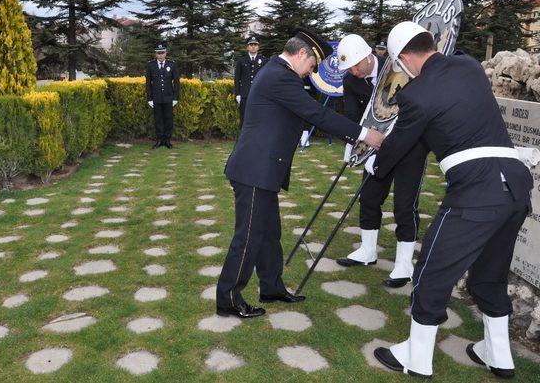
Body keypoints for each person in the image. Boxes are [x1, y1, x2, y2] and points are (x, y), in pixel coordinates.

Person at [369, 21, 533, 379]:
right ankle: (498, 353)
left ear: (404, 58)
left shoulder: (416, 95)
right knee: (489, 275)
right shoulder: (469, 66)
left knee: (430, 270)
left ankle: (417, 357)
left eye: (400, 64)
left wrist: (376, 162)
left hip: (475, 191)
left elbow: (400, 144)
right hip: (516, 187)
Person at [215, 27, 385, 319]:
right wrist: (362, 134)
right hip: (254, 171)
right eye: (311, 66)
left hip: (262, 170)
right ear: (302, 54)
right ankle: (228, 298)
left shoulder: (277, 72)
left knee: (269, 234)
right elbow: (316, 113)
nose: (310, 72)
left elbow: (300, 115)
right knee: (248, 237)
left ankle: (271, 286)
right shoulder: (280, 76)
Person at [335, 34, 428, 289]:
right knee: (369, 197)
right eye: (349, 68)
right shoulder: (351, 81)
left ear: (367, 57)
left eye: (355, 65)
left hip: (410, 146)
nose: (353, 72)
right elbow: (354, 118)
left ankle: (404, 264)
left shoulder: (399, 65)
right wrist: (354, 145)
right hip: (375, 148)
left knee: (404, 203)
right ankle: (367, 250)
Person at [145, 43, 180, 148]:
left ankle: (167, 141)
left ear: (166, 53)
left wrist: (175, 98)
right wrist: (149, 98)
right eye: (158, 53)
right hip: (156, 98)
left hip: (169, 98)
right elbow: (148, 83)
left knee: (169, 120)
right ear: (156, 54)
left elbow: (177, 83)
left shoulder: (172, 65)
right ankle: (160, 140)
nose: (160, 55)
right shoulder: (151, 65)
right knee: (158, 120)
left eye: (162, 53)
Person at [234, 36, 267, 128]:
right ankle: (243, 139)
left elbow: (266, 78)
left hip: (259, 94)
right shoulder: (241, 60)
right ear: (247, 47)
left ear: (258, 47)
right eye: (251, 45)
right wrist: (237, 94)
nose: (253, 46)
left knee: (258, 117)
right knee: (244, 118)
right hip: (244, 95)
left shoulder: (263, 60)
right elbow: (237, 79)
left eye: (255, 45)